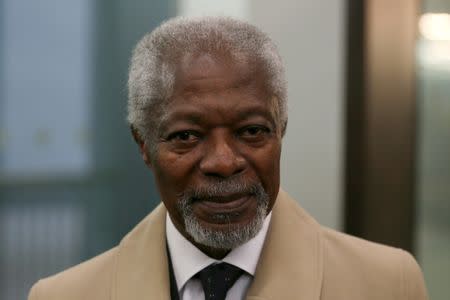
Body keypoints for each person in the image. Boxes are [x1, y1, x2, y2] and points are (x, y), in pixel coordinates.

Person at [28, 16, 428, 300]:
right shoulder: (64, 295)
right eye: (186, 136)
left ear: (281, 129)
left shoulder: (387, 284)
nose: (223, 162)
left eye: (252, 131)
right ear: (144, 145)